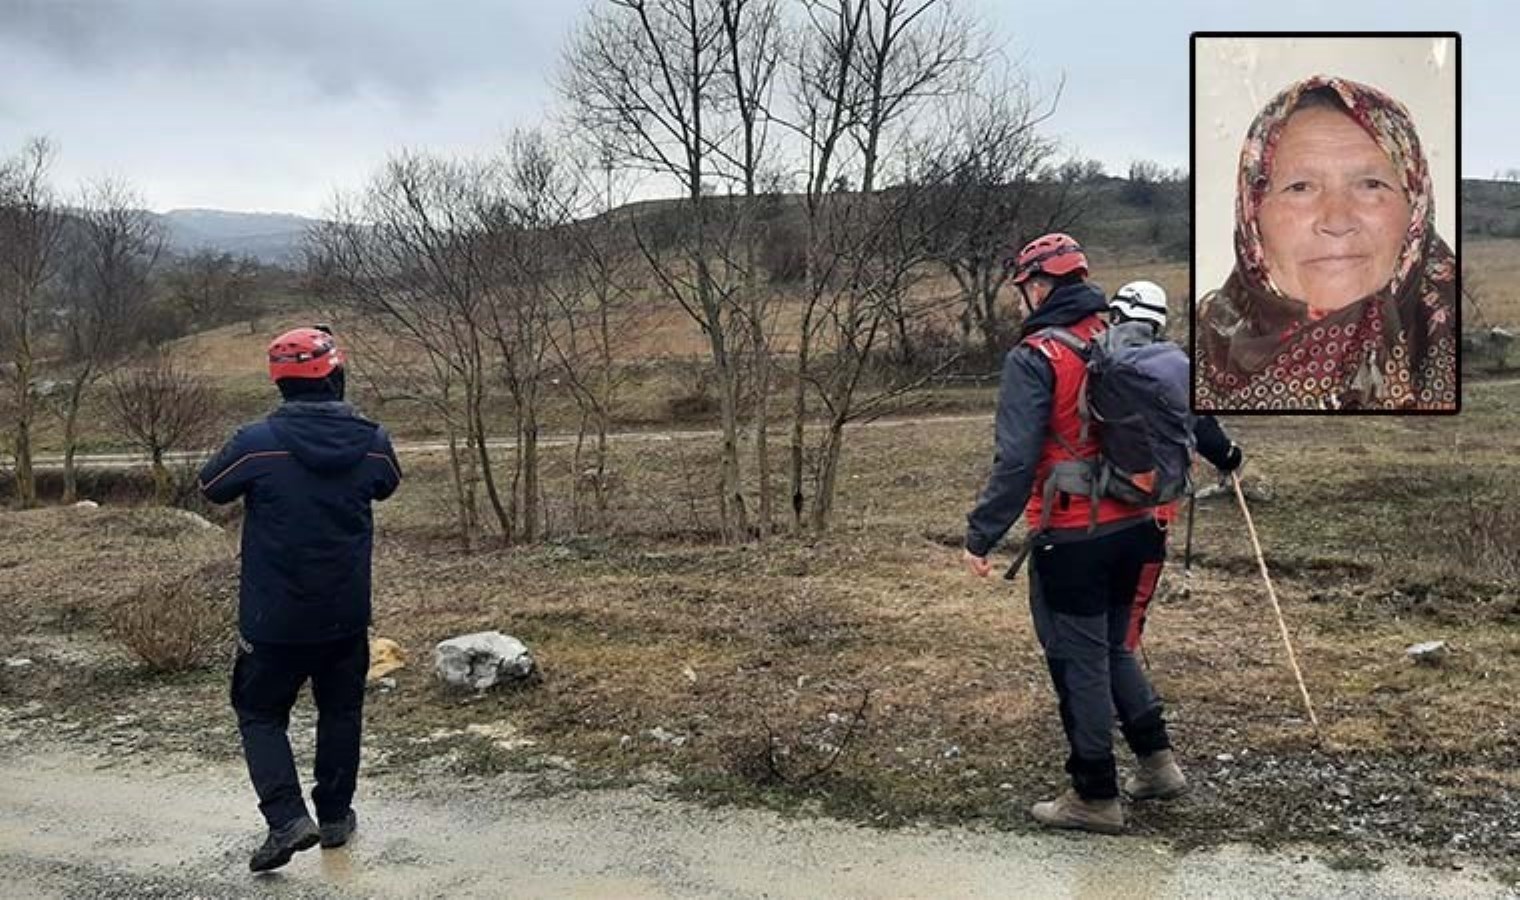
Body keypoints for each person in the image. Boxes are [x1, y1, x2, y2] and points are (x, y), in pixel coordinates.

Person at [963, 234, 1176, 834]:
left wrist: (980, 535)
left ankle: (1094, 795)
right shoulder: (1119, 339)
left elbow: (1016, 459)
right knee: (1114, 648)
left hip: (1072, 534)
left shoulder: (1036, 355)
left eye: (1024, 287)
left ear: (1038, 285)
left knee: (1077, 661)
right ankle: (1158, 765)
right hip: (1139, 523)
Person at [198, 326, 402, 872]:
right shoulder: (373, 441)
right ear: (336, 374)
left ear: (280, 382)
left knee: (259, 712)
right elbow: (387, 484)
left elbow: (210, 486)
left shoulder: (256, 442)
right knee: (341, 711)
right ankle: (334, 817)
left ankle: (287, 819)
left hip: (273, 618)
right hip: (345, 612)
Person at [1195, 74, 1456, 411]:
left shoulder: (1462, 349)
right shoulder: (1197, 359)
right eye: (1300, 187)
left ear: (1416, 208)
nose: (1337, 221)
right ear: (1252, 216)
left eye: (1371, 184)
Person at [1109, 283, 1244, 681]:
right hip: (1152, 506)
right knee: (1132, 598)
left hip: (1092, 501)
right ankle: (1121, 668)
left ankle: (1101, 671)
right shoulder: (1174, 369)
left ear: (1116, 316)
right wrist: (1230, 457)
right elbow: (1206, 432)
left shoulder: (1096, 359)